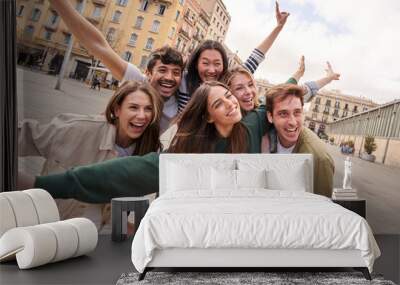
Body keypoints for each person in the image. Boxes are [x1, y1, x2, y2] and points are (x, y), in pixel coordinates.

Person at [20, 82, 267, 203]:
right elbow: (130, 172)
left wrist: (301, 81)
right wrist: (40, 183)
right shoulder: (193, 151)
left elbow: (281, 101)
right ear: (208, 117)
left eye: (228, 96)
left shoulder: (252, 124)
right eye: (218, 103)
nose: (231, 102)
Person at [48, 0, 289, 119]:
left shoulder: (227, 83)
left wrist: (278, 28)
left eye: (218, 63)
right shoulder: (178, 81)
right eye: (206, 62)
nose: (212, 69)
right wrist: (60, 5)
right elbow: (101, 47)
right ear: (195, 64)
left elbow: (255, 57)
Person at [18, 81, 163, 232]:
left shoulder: (148, 152)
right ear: (117, 109)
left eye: (148, 109)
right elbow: (25, 135)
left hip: (95, 241)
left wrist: (126, 231)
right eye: (133, 107)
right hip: (47, 229)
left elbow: (122, 208)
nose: (142, 115)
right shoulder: (79, 128)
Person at [263, 83, 335, 197]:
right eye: (283, 114)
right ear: (270, 117)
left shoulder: (318, 159)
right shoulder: (264, 137)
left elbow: (320, 206)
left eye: (297, 112)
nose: (292, 122)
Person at [224, 56, 340, 114]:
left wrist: (328, 78)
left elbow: (296, 89)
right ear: (228, 92)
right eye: (239, 88)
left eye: (250, 85)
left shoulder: (261, 106)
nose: (248, 91)